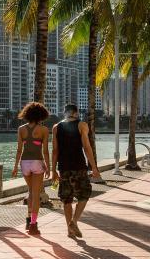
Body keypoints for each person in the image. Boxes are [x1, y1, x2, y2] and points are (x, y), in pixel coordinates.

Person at [51, 104, 101, 239]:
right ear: (76, 113)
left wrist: (53, 170)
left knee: (66, 199)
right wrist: (94, 167)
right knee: (84, 195)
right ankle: (73, 222)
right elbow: (86, 147)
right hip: (79, 166)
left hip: (63, 168)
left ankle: (69, 230)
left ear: (65, 113)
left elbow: (55, 151)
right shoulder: (82, 125)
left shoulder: (56, 128)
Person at [11, 101, 50, 235]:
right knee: (35, 194)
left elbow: (18, 150)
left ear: (26, 114)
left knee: (30, 192)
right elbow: (45, 151)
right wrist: (49, 167)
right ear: (41, 115)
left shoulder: (21, 129)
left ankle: (28, 219)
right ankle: (33, 224)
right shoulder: (44, 130)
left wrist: (15, 166)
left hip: (25, 163)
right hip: (37, 163)